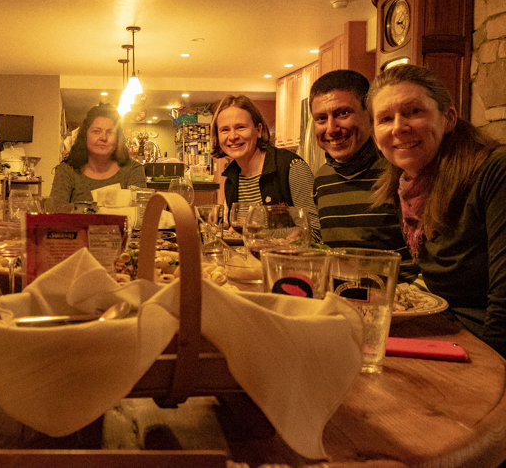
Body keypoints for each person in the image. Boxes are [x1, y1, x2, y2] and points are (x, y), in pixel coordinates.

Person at [368, 64, 506, 357]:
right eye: (385, 118)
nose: (398, 127)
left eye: (414, 111)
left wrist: (491, 371)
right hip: (446, 331)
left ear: (449, 118)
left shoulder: (495, 172)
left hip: (485, 344)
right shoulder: (406, 185)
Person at [309, 70, 416, 278]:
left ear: (370, 114)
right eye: (321, 118)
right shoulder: (322, 178)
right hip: (340, 297)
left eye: (342, 113)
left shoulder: (399, 170)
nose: (331, 128)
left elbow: (421, 259)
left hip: (398, 300)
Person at [210, 95, 320, 240]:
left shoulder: (291, 167)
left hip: (289, 260)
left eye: (241, 127)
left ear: (258, 130)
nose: (232, 136)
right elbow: (240, 233)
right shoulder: (232, 178)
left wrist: (258, 233)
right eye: (224, 130)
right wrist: (223, 228)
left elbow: (314, 230)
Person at [48, 104, 146, 213]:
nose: (103, 138)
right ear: (85, 136)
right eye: (96, 131)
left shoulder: (133, 170)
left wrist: (82, 209)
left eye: (110, 132)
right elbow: (55, 210)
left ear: (118, 138)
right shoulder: (67, 170)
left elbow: (141, 212)